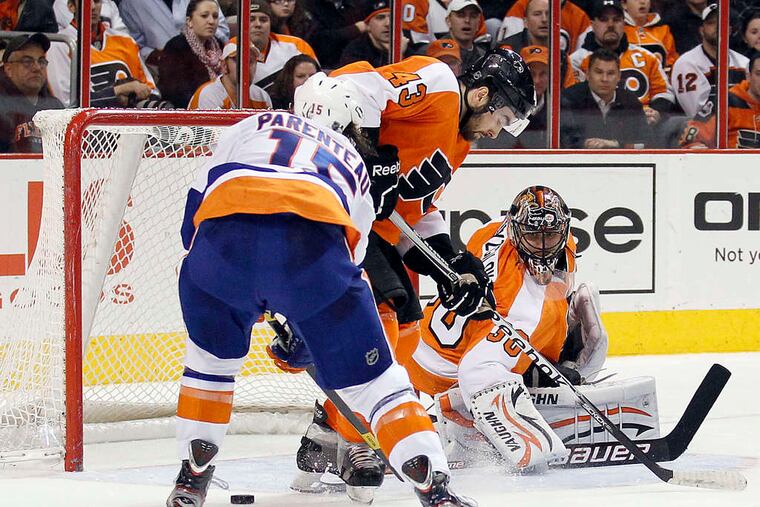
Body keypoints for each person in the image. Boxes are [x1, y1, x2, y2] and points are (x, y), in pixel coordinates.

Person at [166, 74, 475, 507]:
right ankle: (435, 490)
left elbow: (193, 217)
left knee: (210, 366)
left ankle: (190, 480)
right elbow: (346, 262)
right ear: (347, 123)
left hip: (218, 249)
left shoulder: (251, 125)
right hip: (312, 253)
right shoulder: (352, 160)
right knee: (378, 385)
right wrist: (305, 323)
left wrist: (250, 297)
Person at [281, 47, 537, 501]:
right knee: (378, 319)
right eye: (503, 116)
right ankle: (359, 444)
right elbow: (338, 88)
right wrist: (373, 156)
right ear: (481, 94)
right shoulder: (437, 84)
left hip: (369, 228)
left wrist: (452, 262)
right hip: (330, 208)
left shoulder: (459, 143)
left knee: (408, 332)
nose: (499, 130)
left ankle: (327, 429)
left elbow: (414, 214)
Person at [404, 185, 609, 472]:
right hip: (440, 371)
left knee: (586, 298)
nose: (542, 244)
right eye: (533, 236)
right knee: (489, 369)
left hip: (433, 338)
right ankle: (461, 415)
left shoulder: (493, 229)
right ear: (515, 231)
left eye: (550, 235)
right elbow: (476, 370)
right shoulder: (520, 307)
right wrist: (531, 445)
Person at [571, 0, 674, 126]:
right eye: (604, 19)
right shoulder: (576, 61)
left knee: (680, 124)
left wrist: (656, 112)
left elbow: (663, 92)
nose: (610, 25)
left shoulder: (647, 57)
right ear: (592, 24)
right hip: (598, 126)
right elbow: (576, 101)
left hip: (646, 125)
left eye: (616, 20)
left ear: (624, 23)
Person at [47, 0, 159, 108]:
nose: (92, 7)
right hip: (89, 124)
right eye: (85, 2)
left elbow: (151, 91)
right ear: (71, 6)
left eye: (96, 1)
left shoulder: (125, 41)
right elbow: (66, 104)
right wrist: (118, 91)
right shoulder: (61, 44)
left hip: (130, 121)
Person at [670, 3, 749, 119]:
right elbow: (697, 114)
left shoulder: (744, 63)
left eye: (722, 22)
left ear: (730, 30)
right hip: (703, 132)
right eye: (711, 23)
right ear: (702, 30)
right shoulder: (686, 63)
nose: (717, 27)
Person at [562, 47, 650, 148]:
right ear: (587, 74)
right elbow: (564, 141)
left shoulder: (630, 102)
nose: (604, 79)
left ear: (619, 77)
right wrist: (584, 144)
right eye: (599, 72)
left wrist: (616, 144)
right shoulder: (569, 99)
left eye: (611, 73)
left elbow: (647, 142)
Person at [679, 50, 760, 148]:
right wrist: (696, 147)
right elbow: (691, 138)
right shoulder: (724, 102)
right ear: (748, 76)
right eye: (759, 74)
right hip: (731, 162)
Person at [0, 33, 63, 153]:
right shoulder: (2, 105)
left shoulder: (55, 107)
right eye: (27, 61)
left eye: (42, 61)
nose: (37, 67)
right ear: (8, 69)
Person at [158, 0, 226, 108]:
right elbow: (174, 94)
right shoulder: (175, 47)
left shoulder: (221, 46)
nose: (211, 21)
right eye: (204, 16)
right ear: (189, 21)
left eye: (215, 16)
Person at [119, 0, 230, 64]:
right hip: (161, 68)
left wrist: (196, 46)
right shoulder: (130, 3)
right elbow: (134, 47)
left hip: (209, 63)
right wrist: (160, 56)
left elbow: (223, 33)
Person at [246, 0, 317, 91]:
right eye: (251, 19)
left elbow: (319, 82)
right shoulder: (233, 51)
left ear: (270, 23)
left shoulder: (297, 45)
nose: (258, 24)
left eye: (263, 20)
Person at [188, 40, 272, 109]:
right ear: (224, 65)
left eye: (251, 61)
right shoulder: (208, 96)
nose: (245, 66)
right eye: (238, 60)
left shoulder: (262, 97)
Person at [498, 0, 591, 53]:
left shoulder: (579, 16)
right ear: (525, 21)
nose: (544, 19)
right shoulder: (521, 7)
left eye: (549, 14)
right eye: (537, 14)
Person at [302, 0, 367, 69]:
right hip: (326, 66)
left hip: (355, 61)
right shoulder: (309, 7)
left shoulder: (355, 4)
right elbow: (319, 41)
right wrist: (352, 30)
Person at [338, 0, 403, 68]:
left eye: (392, 17)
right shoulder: (355, 51)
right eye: (380, 18)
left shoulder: (407, 45)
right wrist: (393, 55)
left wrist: (401, 54)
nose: (388, 23)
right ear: (367, 24)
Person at [622, 0, 678, 72]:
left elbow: (672, 62)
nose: (642, 2)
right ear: (624, 4)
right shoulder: (620, 30)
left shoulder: (663, 29)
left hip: (659, 81)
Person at [445, 0, 489, 69]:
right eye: (461, 15)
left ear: (478, 23)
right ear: (448, 21)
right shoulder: (436, 53)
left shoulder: (484, 58)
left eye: (473, 16)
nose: (467, 20)